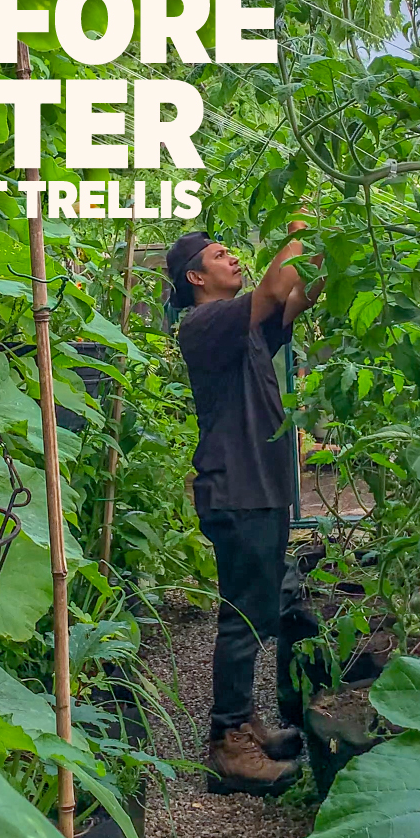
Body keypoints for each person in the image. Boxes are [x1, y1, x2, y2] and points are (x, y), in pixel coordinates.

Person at [167, 225, 323, 796]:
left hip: (256, 490)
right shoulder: (205, 325)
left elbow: (298, 293)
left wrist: (330, 247)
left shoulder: (246, 333)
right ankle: (228, 744)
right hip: (238, 491)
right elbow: (277, 282)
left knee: (256, 608)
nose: (232, 257)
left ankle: (244, 723)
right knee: (245, 617)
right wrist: (299, 227)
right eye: (218, 255)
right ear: (196, 278)